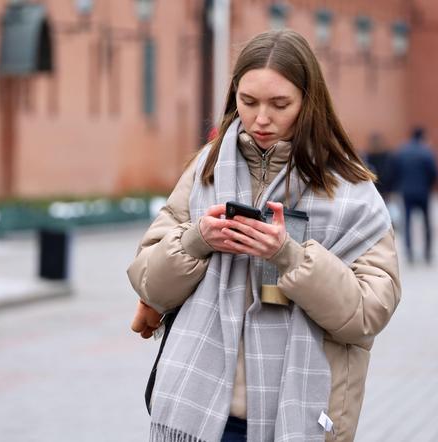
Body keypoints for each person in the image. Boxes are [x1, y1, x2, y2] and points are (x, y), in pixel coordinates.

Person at [127, 30, 401, 442]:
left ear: (309, 102)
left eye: (280, 104)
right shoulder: (207, 169)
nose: (261, 119)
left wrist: (290, 257)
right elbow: (147, 278)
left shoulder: (350, 190)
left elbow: (368, 313)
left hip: (293, 422)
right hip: (199, 416)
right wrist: (198, 238)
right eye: (248, 101)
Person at [393, 126, 438, 263]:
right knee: (426, 222)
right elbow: (434, 172)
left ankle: (409, 252)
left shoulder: (402, 151)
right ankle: (427, 252)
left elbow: (395, 171)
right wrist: (429, 186)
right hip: (423, 192)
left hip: (406, 192)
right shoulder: (426, 151)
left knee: (407, 222)